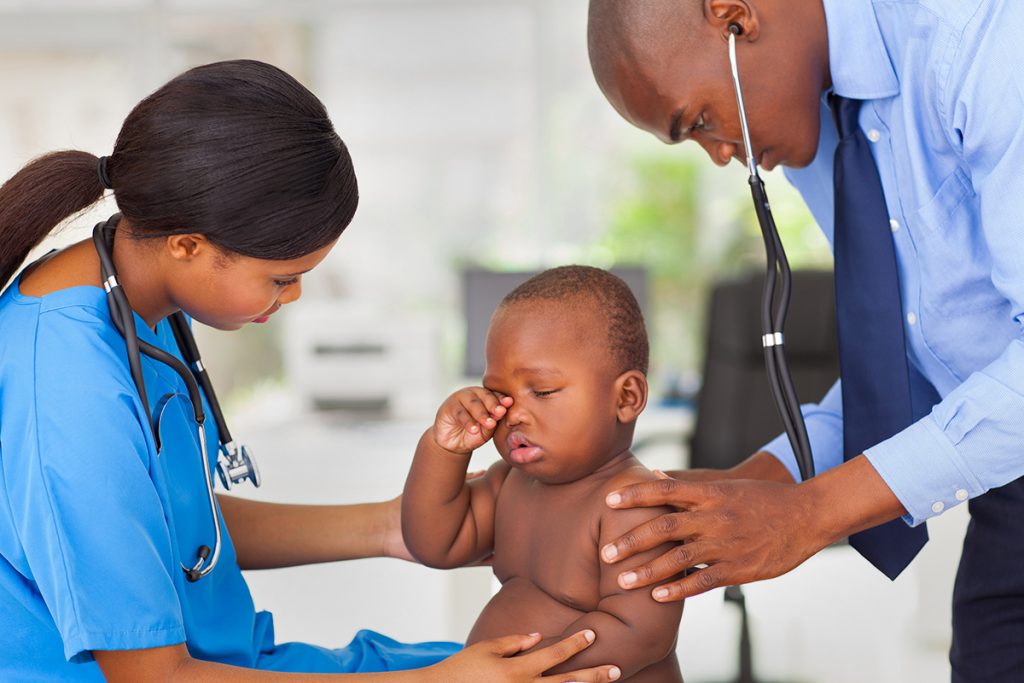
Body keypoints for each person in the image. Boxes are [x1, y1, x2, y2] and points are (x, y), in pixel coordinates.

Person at [0, 59, 621, 683]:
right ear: (187, 245)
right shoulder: (66, 383)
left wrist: (398, 527)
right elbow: (152, 675)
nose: (292, 297)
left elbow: (172, 527)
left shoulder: (130, 298)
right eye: (281, 278)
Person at [586, 0, 1024, 680]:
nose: (721, 155)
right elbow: (920, 366)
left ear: (736, 18)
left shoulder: (978, 39)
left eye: (700, 120)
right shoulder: (818, 130)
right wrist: (746, 489)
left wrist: (810, 512)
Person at [402, 266, 683, 682]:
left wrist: (528, 672)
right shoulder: (509, 483)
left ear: (626, 397)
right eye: (499, 395)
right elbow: (433, 544)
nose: (513, 413)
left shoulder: (634, 504)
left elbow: (640, 633)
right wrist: (442, 450)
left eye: (543, 391)